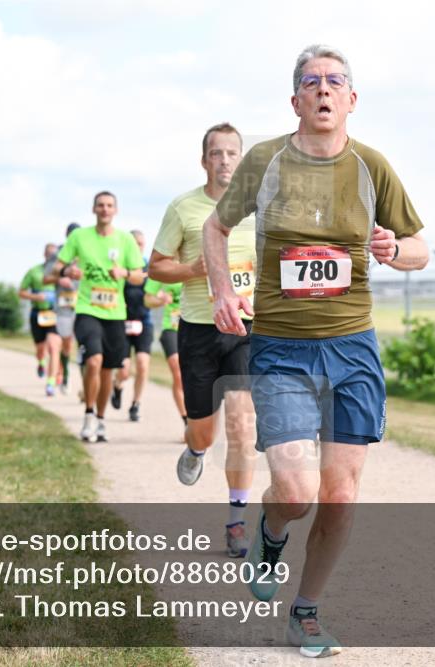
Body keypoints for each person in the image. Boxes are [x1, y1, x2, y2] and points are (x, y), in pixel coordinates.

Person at [204, 45, 429, 658]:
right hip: (281, 348)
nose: (324, 90)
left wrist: (392, 249)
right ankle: (271, 533)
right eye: (312, 82)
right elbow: (215, 229)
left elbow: (418, 249)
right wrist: (223, 290)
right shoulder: (265, 160)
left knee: (340, 493)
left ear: (351, 99)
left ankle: (305, 612)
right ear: (296, 99)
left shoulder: (371, 165)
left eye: (336, 82)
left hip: (352, 347)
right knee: (297, 490)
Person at [150, 122, 258, 559]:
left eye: (233, 153)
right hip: (197, 329)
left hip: (245, 330)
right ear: (204, 160)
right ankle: (195, 449)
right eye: (217, 153)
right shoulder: (184, 208)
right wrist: (194, 270)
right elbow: (155, 267)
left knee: (242, 425)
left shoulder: (257, 209)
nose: (226, 160)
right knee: (205, 430)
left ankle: (236, 521)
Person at [48, 192, 144, 443]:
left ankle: (100, 420)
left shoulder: (125, 240)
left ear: (116, 210)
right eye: (100, 205)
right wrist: (69, 269)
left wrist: (123, 272)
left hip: (115, 313)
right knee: (93, 361)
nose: (105, 209)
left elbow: (138, 275)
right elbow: (57, 267)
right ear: (93, 209)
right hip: (87, 310)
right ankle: (88, 415)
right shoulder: (80, 237)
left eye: (109, 205)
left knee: (107, 373)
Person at [112, 229, 153, 422]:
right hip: (122, 322)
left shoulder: (148, 268)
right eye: (135, 244)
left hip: (144, 321)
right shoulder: (119, 267)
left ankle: (135, 404)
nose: (138, 247)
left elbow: (155, 292)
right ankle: (117, 386)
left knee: (143, 364)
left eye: (141, 244)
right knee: (124, 369)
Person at [19, 244, 62, 396]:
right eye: (49, 254)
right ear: (44, 254)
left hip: (55, 313)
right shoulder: (34, 271)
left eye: (54, 254)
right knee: (40, 349)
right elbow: (22, 292)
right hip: (37, 313)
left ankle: (50, 382)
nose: (51, 256)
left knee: (54, 347)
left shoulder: (61, 272)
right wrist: (35, 297)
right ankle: (41, 362)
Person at [144, 278, 185, 432]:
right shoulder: (166, 263)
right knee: (178, 373)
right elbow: (148, 300)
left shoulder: (199, 261)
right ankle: (186, 420)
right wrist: (160, 300)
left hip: (195, 327)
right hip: (171, 327)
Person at [53, 222, 82, 396]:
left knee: (85, 345)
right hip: (63, 306)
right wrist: (58, 279)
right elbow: (47, 276)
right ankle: (64, 373)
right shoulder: (59, 253)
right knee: (66, 343)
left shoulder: (87, 252)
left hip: (84, 304)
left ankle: (86, 386)